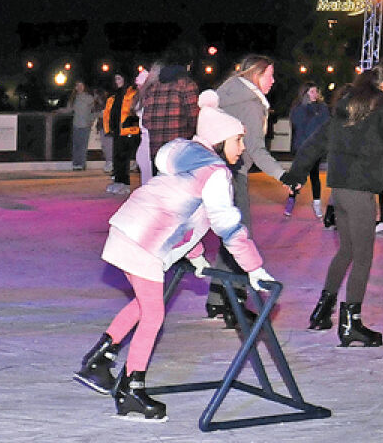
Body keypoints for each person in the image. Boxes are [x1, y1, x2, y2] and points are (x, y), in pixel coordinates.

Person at [74, 90, 272, 420]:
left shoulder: (193, 166)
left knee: (142, 305)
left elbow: (182, 215)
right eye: (238, 139)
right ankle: (131, 389)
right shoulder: (215, 173)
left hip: (128, 230)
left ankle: (100, 359)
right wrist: (254, 267)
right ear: (221, 141)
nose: (242, 147)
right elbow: (226, 224)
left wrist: (195, 256)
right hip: (143, 242)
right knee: (153, 314)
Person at [281, 60, 383, 347]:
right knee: (363, 257)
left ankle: (322, 312)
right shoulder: (382, 110)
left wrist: (295, 173)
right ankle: (350, 324)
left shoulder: (348, 105)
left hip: (340, 191)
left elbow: (316, 142)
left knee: (346, 251)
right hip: (359, 194)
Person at [205, 54, 279, 328]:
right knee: (239, 235)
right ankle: (233, 303)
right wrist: (283, 175)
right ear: (257, 75)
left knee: (229, 235)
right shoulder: (251, 104)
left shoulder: (227, 94)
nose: (273, 81)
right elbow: (256, 149)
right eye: (269, 75)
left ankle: (217, 299)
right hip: (234, 173)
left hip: (216, 169)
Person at [139, 47, 199, 177]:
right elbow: (194, 118)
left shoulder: (154, 86)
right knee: (178, 191)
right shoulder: (187, 84)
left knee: (160, 189)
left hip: (157, 149)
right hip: (179, 149)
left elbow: (146, 119)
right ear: (187, 65)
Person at [288, 82, 330, 218]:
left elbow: (324, 124)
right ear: (305, 93)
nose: (315, 94)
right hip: (301, 147)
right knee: (297, 175)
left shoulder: (322, 108)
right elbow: (299, 124)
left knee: (314, 176)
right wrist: (310, 111)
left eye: (316, 91)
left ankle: (317, 203)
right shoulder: (299, 108)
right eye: (311, 92)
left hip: (316, 147)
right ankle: (291, 199)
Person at [103, 73, 140, 195]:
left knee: (124, 157)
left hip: (128, 131)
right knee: (117, 157)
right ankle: (118, 181)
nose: (117, 81)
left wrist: (132, 123)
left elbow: (136, 111)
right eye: (115, 79)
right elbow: (108, 114)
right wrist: (108, 129)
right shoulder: (113, 96)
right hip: (117, 131)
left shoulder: (132, 94)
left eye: (119, 78)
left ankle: (125, 183)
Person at [69, 81, 95, 171]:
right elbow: (69, 109)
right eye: (77, 85)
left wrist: (91, 120)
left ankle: (81, 163)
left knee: (83, 145)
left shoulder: (89, 98)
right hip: (76, 124)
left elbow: (93, 111)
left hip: (85, 124)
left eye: (81, 85)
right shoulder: (74, 98)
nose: (79, 87)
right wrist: (58, 110)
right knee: (76, 145)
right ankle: (75, 163)